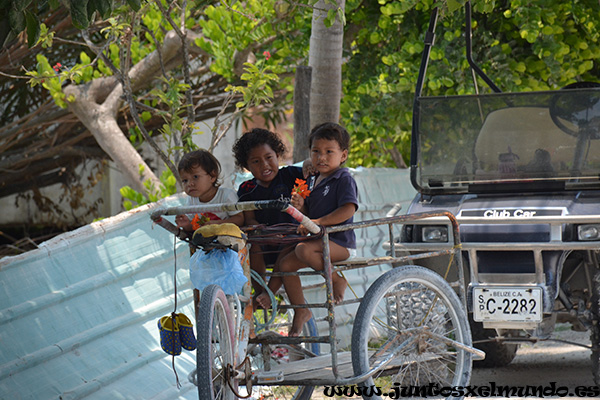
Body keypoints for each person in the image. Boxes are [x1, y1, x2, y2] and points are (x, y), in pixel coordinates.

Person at [262, 122, 358, 336]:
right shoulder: (312, 179)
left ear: (343, 156)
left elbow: (348, 210)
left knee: (302, 250)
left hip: (339, 243)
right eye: (316, 151)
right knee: (285, 261)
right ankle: (301, 310)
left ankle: (335, 279)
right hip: (318, 240)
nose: (321, 157)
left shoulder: (343, 178)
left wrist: (319, 222)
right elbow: (310, 211)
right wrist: (301, 206)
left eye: (328, 152)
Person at [233, 128, 310, 306]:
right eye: (256, 161)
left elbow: (310, 166)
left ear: (277, 155)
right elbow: (249, 218)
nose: (265, 165)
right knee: (253, 244)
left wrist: (307, 162)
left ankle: (269, 294)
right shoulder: (246, 189)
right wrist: (263, 231)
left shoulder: (290, 175)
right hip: (265, 243)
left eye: (269, 157)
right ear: (247, 165)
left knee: (289, 241)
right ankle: (261, 292)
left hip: (292, 241)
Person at [175, 149, 244, 234]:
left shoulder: (226, 195)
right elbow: (192, 226)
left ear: (212, 176)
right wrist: (186, 224)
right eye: (185, 180)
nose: (190, 184)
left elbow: (239, 219)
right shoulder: (191, 200)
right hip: (207, 244)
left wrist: (218, 224)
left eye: (195, 177)